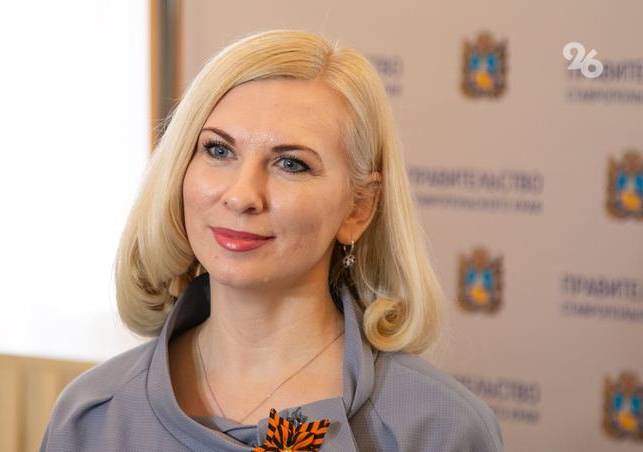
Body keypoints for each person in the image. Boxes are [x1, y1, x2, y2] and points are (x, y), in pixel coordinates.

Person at [39, 30, 503, 452]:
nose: (241, 195)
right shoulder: (90, 416)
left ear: (358, 207)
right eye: (218, 150)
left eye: (291, 164)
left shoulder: (441, 429)